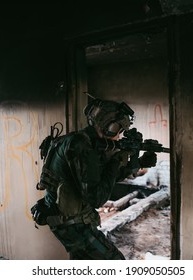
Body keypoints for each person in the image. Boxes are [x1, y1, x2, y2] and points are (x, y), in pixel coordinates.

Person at [31, 98, 157, 260]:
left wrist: (138, 163)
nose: (119, 135)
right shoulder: (81, 146)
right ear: (109, 126)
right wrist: (116, 161)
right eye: (119, 128)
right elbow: (96, 197)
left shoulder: (80, 140)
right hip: (71, 224)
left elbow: (101, 178)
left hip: (67, 219)